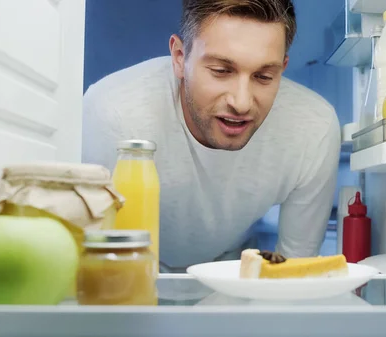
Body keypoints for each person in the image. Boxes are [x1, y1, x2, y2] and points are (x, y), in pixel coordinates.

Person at [82, 0, 341, 270]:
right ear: (180, 58)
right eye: (221, 71)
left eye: (264, 76)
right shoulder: (113, 112)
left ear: (283, 68)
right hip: (129, 274)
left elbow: (295, 269)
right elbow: (88, 258)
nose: (241, 103)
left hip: (235, 277)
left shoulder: (314, 128)